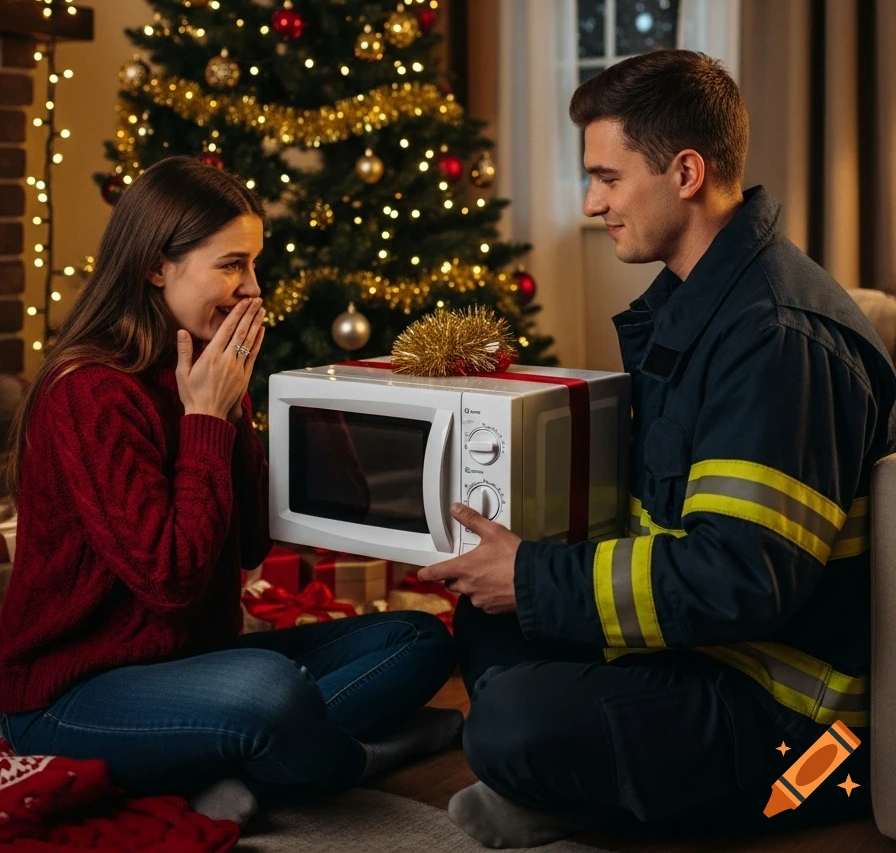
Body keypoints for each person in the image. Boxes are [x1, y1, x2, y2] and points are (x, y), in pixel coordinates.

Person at [420, 49, 896, 847]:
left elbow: (742, 578)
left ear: (683, 172)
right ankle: (573, 785)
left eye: (608, 178)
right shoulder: (704, 306)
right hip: (700, 655)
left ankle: (574, 795)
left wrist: (537, 576)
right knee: (488, 610)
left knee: (509, 719)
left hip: (793, 721)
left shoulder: (775, 339)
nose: (591, 201)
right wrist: (521, 572)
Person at [0, 158, 459, 826]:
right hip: (68, 697)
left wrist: (231, 411)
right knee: (269, 694)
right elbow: (171, 581)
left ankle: (229, 763)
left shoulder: (197, 371)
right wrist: (205, 422)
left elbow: (247, 546)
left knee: (420, 638)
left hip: (192, 663)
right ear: (157, 265)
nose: (252, 288)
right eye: (231, 265)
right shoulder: (88, 391)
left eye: (253, 266)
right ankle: (357, 758)